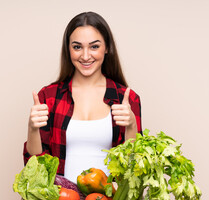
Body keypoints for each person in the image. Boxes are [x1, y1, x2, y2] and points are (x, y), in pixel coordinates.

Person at [23, 12, 142, 183]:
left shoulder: (127, 98)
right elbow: (34, 169)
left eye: (94, 46)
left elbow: (135, 170)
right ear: (68, 49)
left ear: (107, 48)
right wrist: (32, 129)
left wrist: (131, 126)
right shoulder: (49, 97)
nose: (85, 56)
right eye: (77, 47)